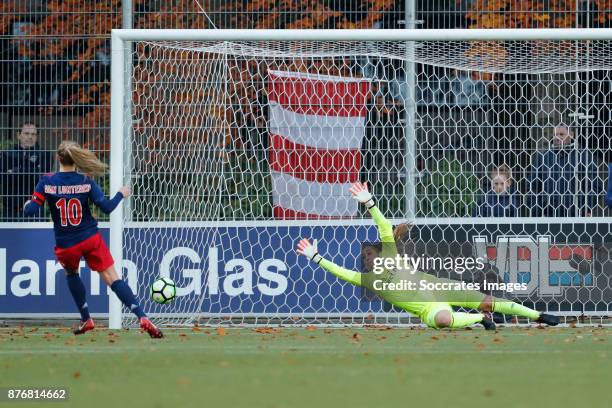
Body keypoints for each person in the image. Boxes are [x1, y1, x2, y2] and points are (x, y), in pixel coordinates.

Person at [297, 182, 560, 330]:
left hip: (440, 287)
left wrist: (369, 203)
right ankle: (481, 320)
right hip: (428, 307)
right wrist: (317, 257)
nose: (367, 258)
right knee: (444, 320)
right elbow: (340, 273)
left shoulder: (390, 256)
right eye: (364, 257)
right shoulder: (368, 281)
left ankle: (538, 316)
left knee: (490, 301)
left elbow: (384, 228)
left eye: (369, 253)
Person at [23, 141, 163, 338]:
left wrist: (27, 204)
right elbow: (106, 207)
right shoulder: (85, 181)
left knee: (72, 273)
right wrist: (120, 194)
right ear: (77, 160)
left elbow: (31, 211)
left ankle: (86, 318)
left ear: (58, 158)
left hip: (66, 243)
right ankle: (141, 315)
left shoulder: (47, 181)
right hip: (89, 238)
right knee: (112, 278)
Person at [529, 125, 600, 217]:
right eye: (555, 135)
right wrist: (538, 210)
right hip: (548, 216)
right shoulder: (543, 157)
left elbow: (595, 186)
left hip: (575, 215)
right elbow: (532, 186)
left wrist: (584, 208)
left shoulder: (584, 156)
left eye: (561, 134)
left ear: (571, 134)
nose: (557, 138)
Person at [1, 123, 52, 220]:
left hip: (35, 208)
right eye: (26, 133)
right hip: (10, 209)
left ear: (37, 136)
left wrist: (16, 171)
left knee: (36, 235)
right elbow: (4, 179)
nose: (30, 137)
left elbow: (42, 178)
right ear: (18, 135)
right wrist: (32, 173)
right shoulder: (6, 154)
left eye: (33, 134)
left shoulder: (44, 154)